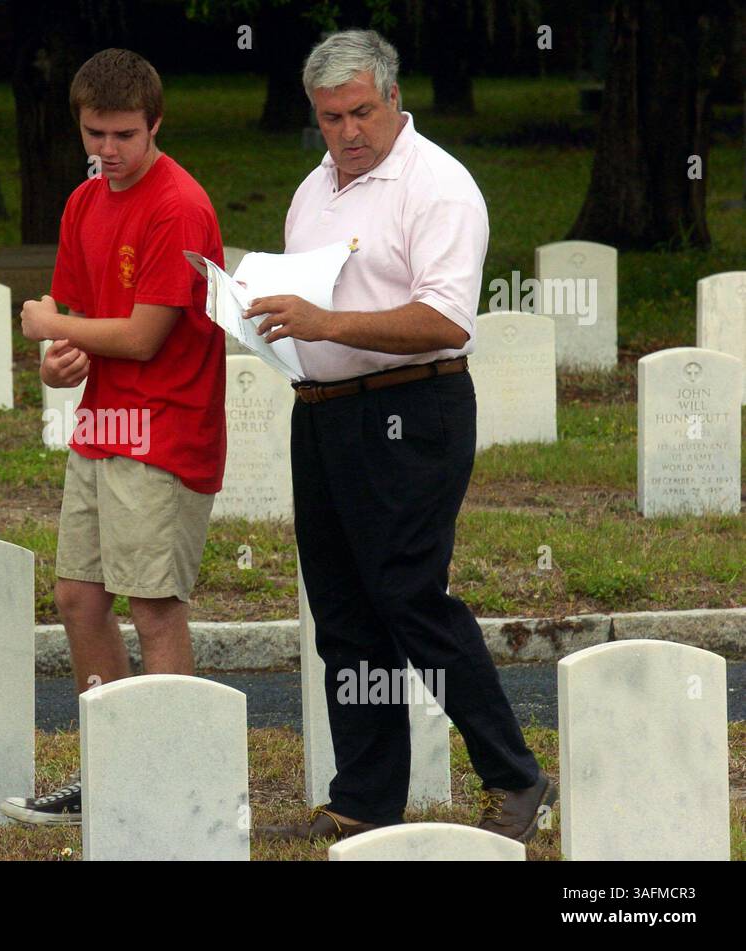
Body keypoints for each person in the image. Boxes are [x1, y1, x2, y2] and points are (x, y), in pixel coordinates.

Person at [250, 29, 556, 844]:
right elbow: (303, 298)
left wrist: (326, 321)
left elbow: (446, 317)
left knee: (410, 597)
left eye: (359, 112)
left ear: (392, 98)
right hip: (320, 410)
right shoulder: (314, 189)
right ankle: (365, 794)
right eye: (329, 118)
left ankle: (516, 775)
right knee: (343, 609)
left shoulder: (438, 187)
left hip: (409, 410)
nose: (347, 132)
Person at [0, 48, 226, 825]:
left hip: (166, 430)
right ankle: (109, 768)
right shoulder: (83, 201)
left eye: (125, 134)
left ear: (155, 123)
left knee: (155, 605)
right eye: (95, 133)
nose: (107, 150)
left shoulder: (180, 205)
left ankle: (174, 786)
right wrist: (59, 361)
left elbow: (142, 336)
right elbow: (82, 321)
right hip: (103, 424)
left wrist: (46, 324)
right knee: (76, 597)